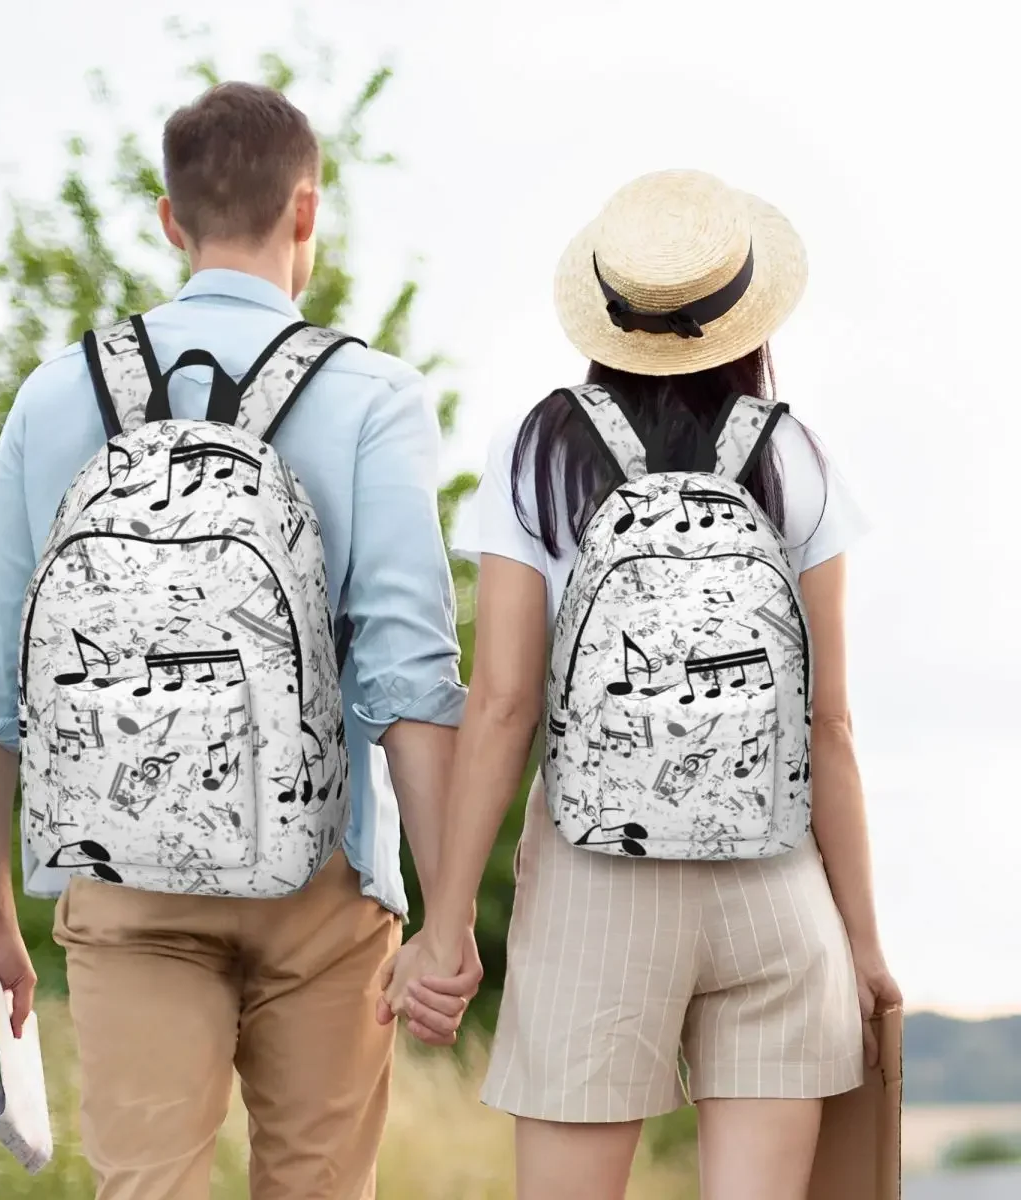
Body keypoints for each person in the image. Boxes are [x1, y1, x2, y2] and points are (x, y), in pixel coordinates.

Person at [0, 81, 481, 1200]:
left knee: (147, 1186)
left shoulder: (56, 395)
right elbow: (409, 680)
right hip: (325, 878)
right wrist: (448, 915)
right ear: (307, 213)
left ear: (170, 220)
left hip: (123, 876)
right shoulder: (372, 395)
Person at [382, 169, 902, 1200]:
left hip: (595, 886)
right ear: (745, 314)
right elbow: (830, 723)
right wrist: (864, 944)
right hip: (776, 888)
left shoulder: (539, 449)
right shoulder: (796, 456)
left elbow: (503, 704)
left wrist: (444, 927)